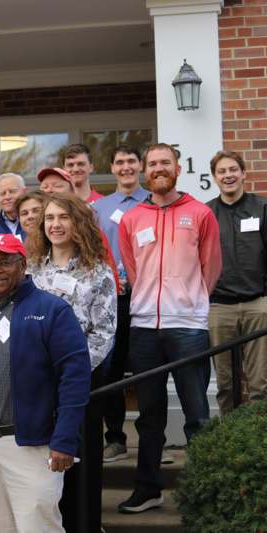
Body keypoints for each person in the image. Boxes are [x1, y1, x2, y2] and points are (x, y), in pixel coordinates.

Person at [0, 233, 91, 533]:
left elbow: (76, 378)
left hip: (34, 445)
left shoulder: (52, 310)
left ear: (22, 264)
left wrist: (65, 439)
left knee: (37, 527)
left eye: (5, 262)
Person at [117, 143, 222, 514]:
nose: (159, 168)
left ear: (178, 168)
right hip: (144, 328)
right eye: (153, 164)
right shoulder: (132, 219)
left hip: (188, 328)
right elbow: (132, 270)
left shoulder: (200, 213)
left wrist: (190, 303)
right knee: (149, 416)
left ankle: (205, 491)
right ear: (145, 172)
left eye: (166, 162)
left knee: (196, 415)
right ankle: (148, 489)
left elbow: (211, 267)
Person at [27, 193, 117, 533]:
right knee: (41, 464)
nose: (55, 224)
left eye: (63, 217)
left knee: (81, 462)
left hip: (79, 382)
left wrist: (71, 374)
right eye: (49, 218)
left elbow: (103, 333)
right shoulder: (32, 269)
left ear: (77, 222)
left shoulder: (98, 272)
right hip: (35, 381)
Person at [92, 145, 149, 463]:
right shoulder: (100, 208)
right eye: (119, 162)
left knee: (146, 367)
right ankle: (115, 437)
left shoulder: (154, 204)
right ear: (111, 168)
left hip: (145, 296)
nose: (126, 167)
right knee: (111, 368)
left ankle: (155, 440)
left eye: (131, 161)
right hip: (111, 298)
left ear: (139, 166)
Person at [206, 150, 267, 413]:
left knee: (260, 382)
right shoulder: (206, 214)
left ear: (243, 174)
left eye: (233, 170)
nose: (228, 175)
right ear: (215, 177)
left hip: (258, 305)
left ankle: (259, 440)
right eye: (222, 171)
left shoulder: (262, 208)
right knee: (225, 382)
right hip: (220, 308)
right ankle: (227, 441)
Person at [0, 173, 27, 239]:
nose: (7, 197)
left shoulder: (36, 221)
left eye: (12, 191)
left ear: (24, 192)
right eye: (2, 193)